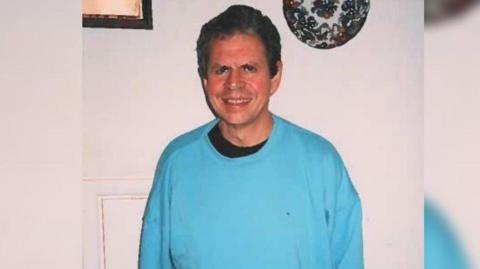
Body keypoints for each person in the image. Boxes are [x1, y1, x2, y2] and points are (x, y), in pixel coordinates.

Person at [139, 5, 363, 269]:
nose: (234, 83)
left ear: (275, 76)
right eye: (221, 69)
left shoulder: (321, 163)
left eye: (248, 68)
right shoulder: (177, 162)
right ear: (205, 81)